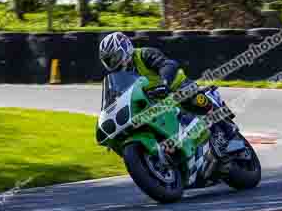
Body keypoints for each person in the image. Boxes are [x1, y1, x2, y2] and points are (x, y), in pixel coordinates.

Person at [98, 32, 238, 146]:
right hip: (157, 103)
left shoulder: (144, 54)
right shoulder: (119, 78)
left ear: (125, 47)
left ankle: (226, 128)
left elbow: (168, 64)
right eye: (108, 61)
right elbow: (118, 97)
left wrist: (164, 83)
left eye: (114, 57)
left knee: (195, 99)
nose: (113, 63)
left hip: (176, 87)